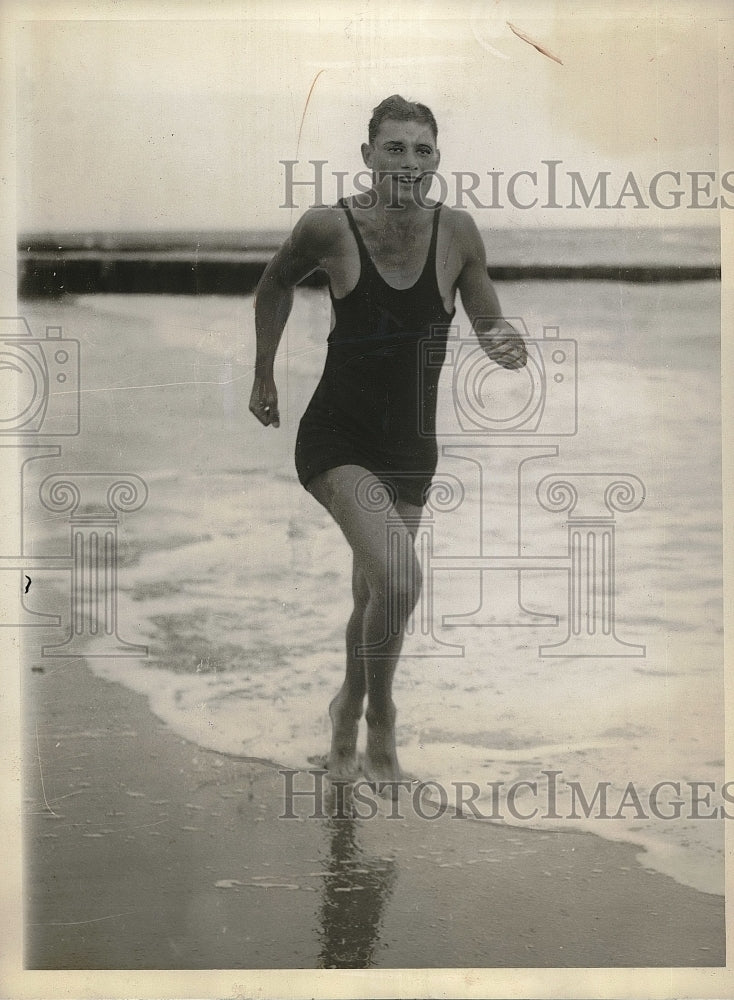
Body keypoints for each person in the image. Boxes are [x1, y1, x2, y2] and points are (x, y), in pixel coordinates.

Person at [250, 95, 526, 788]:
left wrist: (505, 345)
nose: (409, 161)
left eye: (423, 150)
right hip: (336, 436)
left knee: (376, 592)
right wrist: (264, 374)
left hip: (412, 447)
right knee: (401, 580)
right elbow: (274, 282)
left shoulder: (458, 232)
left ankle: (344, 714)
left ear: (437, 160)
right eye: (395, 147)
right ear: (367, 154)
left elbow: (488, 319)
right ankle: (381, 717)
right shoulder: (329, 226)